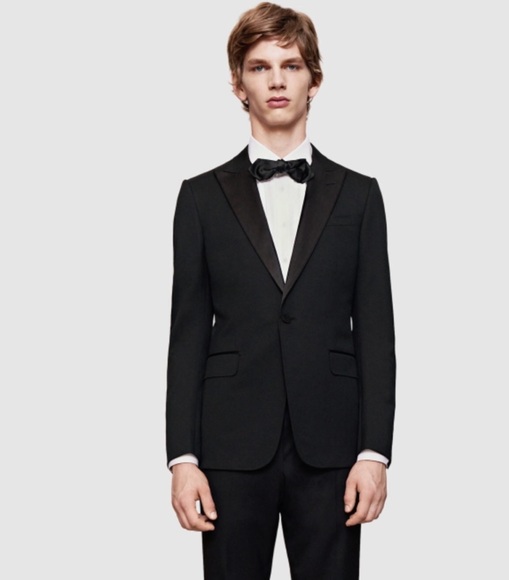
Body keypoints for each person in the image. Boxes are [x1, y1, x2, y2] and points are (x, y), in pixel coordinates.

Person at [166, 3, 396, 578]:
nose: (276, 81)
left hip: (333, 446)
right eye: (259, 67)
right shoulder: (199, 198)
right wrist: (182, 458)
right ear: (237, 84)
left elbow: (376, 331)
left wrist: (374, 452)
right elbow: (187, 334)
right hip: (229, 445)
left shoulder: (360, 196)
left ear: (314, 80)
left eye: (291, 66)